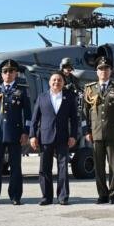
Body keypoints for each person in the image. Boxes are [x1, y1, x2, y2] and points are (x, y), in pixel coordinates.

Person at [0, 59, 32, 206]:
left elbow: (28, 114)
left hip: (15, 133)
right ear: (1, 74)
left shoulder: (22, 89)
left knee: (15, 167)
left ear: (16, 73)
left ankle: (15, 196)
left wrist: (26, 132)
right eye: (5, 71)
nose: (8, 74)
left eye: (11, 71)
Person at [82, 57, 114, 204]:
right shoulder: (89, 89)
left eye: (106, 68)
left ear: (110, 71)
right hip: (95, 133)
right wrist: (86, 131)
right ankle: (102, 194)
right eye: (101, 69)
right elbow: (84, 113)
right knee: (99, 167)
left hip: (113, 133)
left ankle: (113, 194)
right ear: (97, 72)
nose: (103, 71)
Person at [29, 72, 78, 205]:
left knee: (63, 168)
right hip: (45, 137)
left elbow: (74, 119)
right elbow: (35, 119)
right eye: (54, 80)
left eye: (59, 80)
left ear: (63, 83)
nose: (56, 82)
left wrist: (73, 135)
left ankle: (63, 197)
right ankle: (46, 197)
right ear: (49, 82)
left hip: (63, 137)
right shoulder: (42, 97)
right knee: (45, 168)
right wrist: (32, 135)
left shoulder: (69, 97)